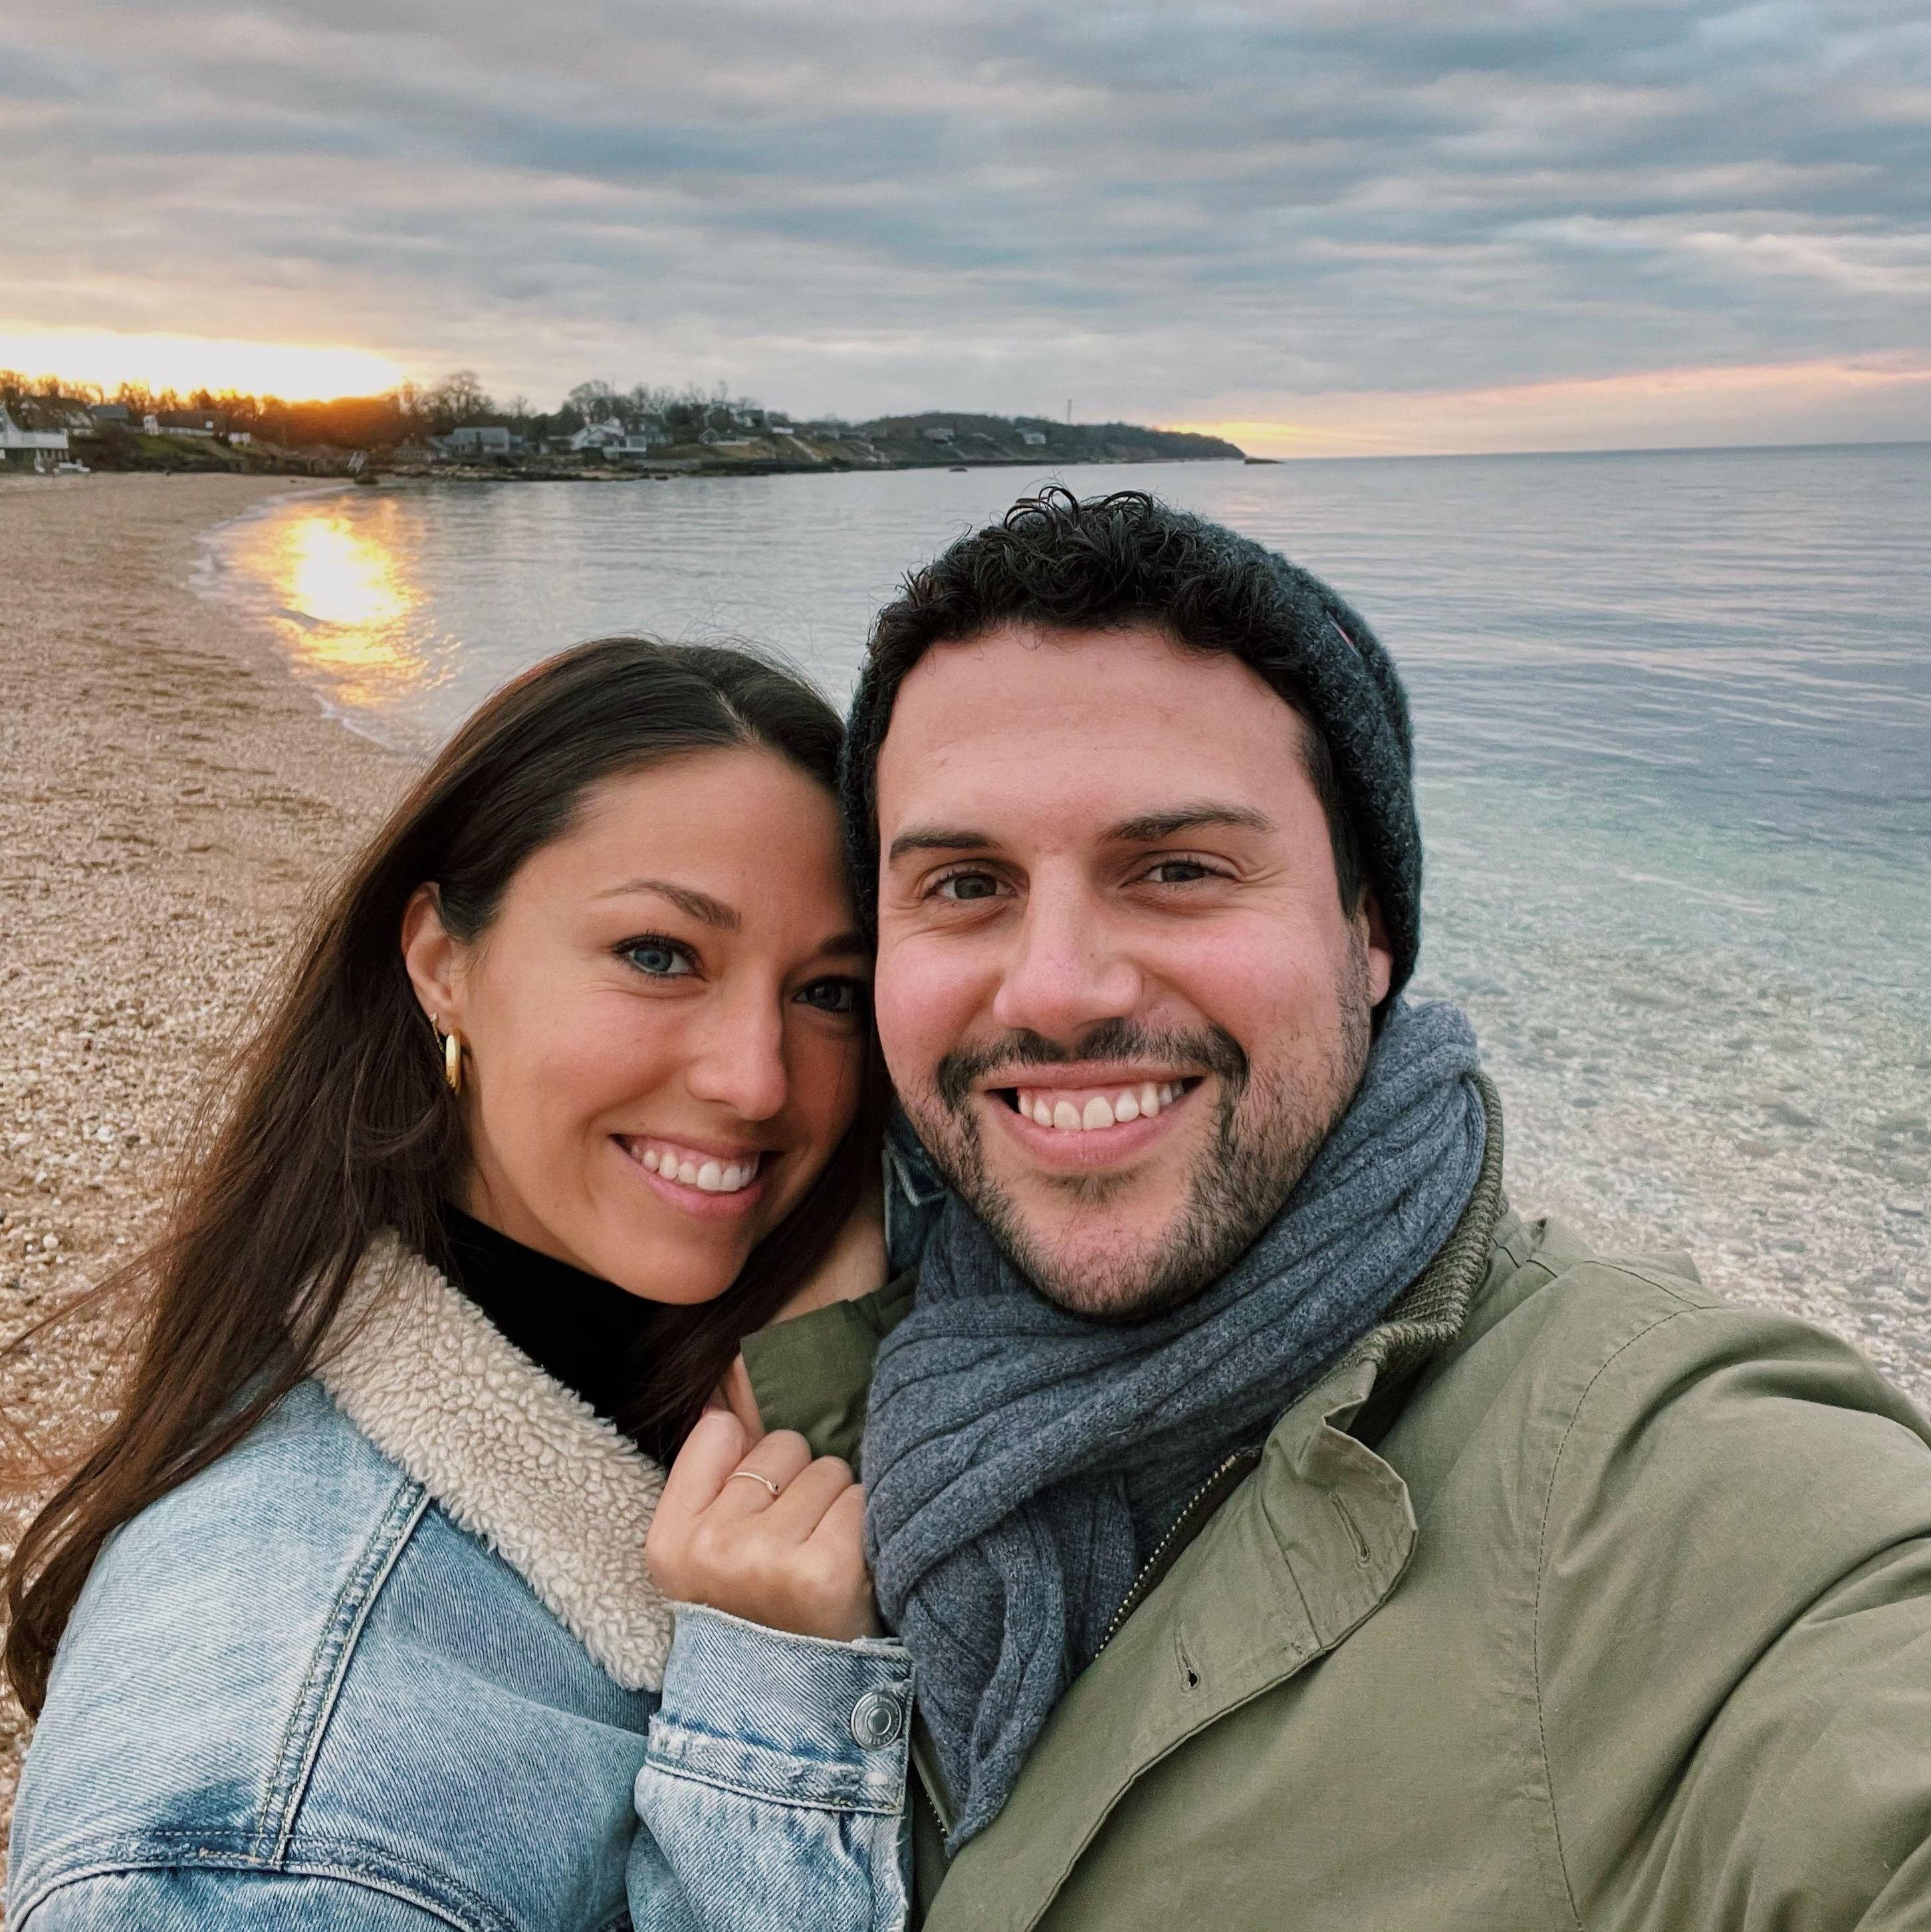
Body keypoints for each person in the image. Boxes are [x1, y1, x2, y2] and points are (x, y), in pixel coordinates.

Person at [666, 489, 1931, 1931]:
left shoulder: (1675, 1485)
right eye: (964, 884)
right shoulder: (845, 1372)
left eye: (1180, 870)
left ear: (1369, 927)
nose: (1060, 984)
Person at [3, 638, 913, 1931]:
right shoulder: (270, 1829)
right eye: (660, 954)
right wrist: (774, 1702)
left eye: (830, 989)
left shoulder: (791, 1331)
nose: (758, 1078)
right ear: (441, 959)